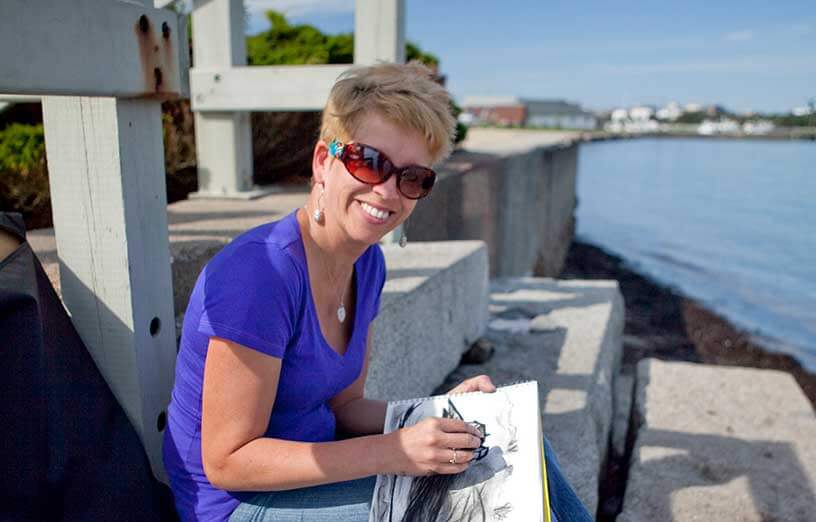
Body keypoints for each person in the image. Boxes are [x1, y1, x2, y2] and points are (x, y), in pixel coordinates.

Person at [162, 62, 593, 522]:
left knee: (515, 444)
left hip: (317, 469)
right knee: (478, 503)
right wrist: (392, 451)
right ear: (323, 162)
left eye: (412, 178)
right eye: (369, 162)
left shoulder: (367, 265)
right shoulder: (258, 275)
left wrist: (441, 411)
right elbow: (229, 461)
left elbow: (345, 407)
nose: (388, 192)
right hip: (237, 506)